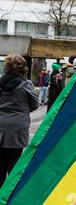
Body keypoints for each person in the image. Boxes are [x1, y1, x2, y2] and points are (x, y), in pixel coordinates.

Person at [0, 55, 39, 188]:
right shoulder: (26, 84)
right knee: (14, 163)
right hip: (18, 127)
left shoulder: (0, 82)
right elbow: (35, 104)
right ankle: (9, 196)